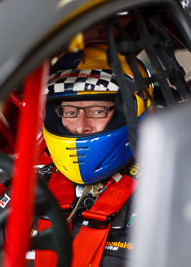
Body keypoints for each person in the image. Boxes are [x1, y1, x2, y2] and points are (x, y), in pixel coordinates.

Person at [37, 43, 152, 266]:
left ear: (129, 111)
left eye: (97, 110)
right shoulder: (25, 189)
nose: (81, 126)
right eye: (69, 112)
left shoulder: (167, 191)